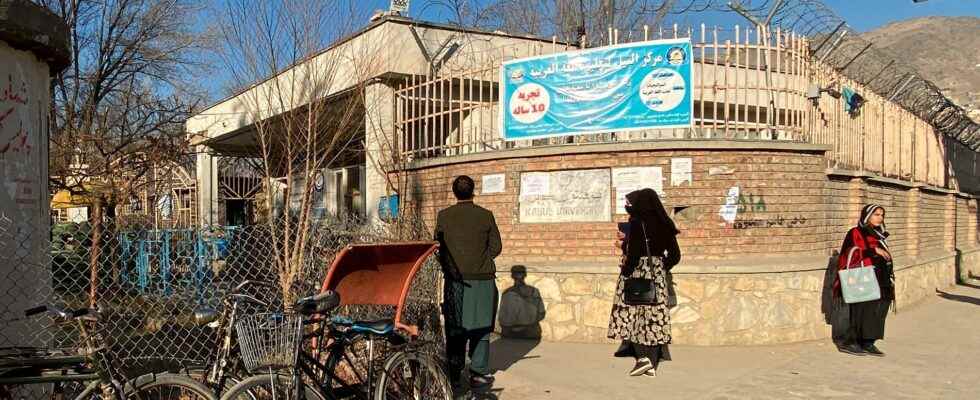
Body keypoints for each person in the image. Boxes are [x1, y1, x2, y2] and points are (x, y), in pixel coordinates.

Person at [434, 175, 503, 389]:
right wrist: (479, 259)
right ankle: (478, 373)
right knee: (481, 327)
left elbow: (438, 248)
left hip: (455, 282)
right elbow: (496, 248)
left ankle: (454, 373)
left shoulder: (444, 216)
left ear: (454, 193)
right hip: (483, 280)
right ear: (473, 191)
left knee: (456, 327)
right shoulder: (485, 215)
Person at [608, 188, 681, 377]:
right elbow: (675, 256)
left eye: (631, 203)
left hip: (637, 274)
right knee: (653, 318)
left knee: (634, 316)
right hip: (656, 275)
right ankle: (652, 362)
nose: (629, 207)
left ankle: (643, 360)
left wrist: (625, 271)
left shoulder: (638, 224)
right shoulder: (665, 223)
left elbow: (633, 254)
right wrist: (660, 266)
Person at [835, 204, 895, 357]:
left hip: (881, 278)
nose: (879, 218)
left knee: (877, 311)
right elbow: (848, 254)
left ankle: (868, 342)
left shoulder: (879, 234)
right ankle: (850, 342)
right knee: (860, 311)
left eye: (882, 215)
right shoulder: (856, 232)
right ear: (867, 216)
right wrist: (872, 250)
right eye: (876, 214)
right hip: (863, 278)